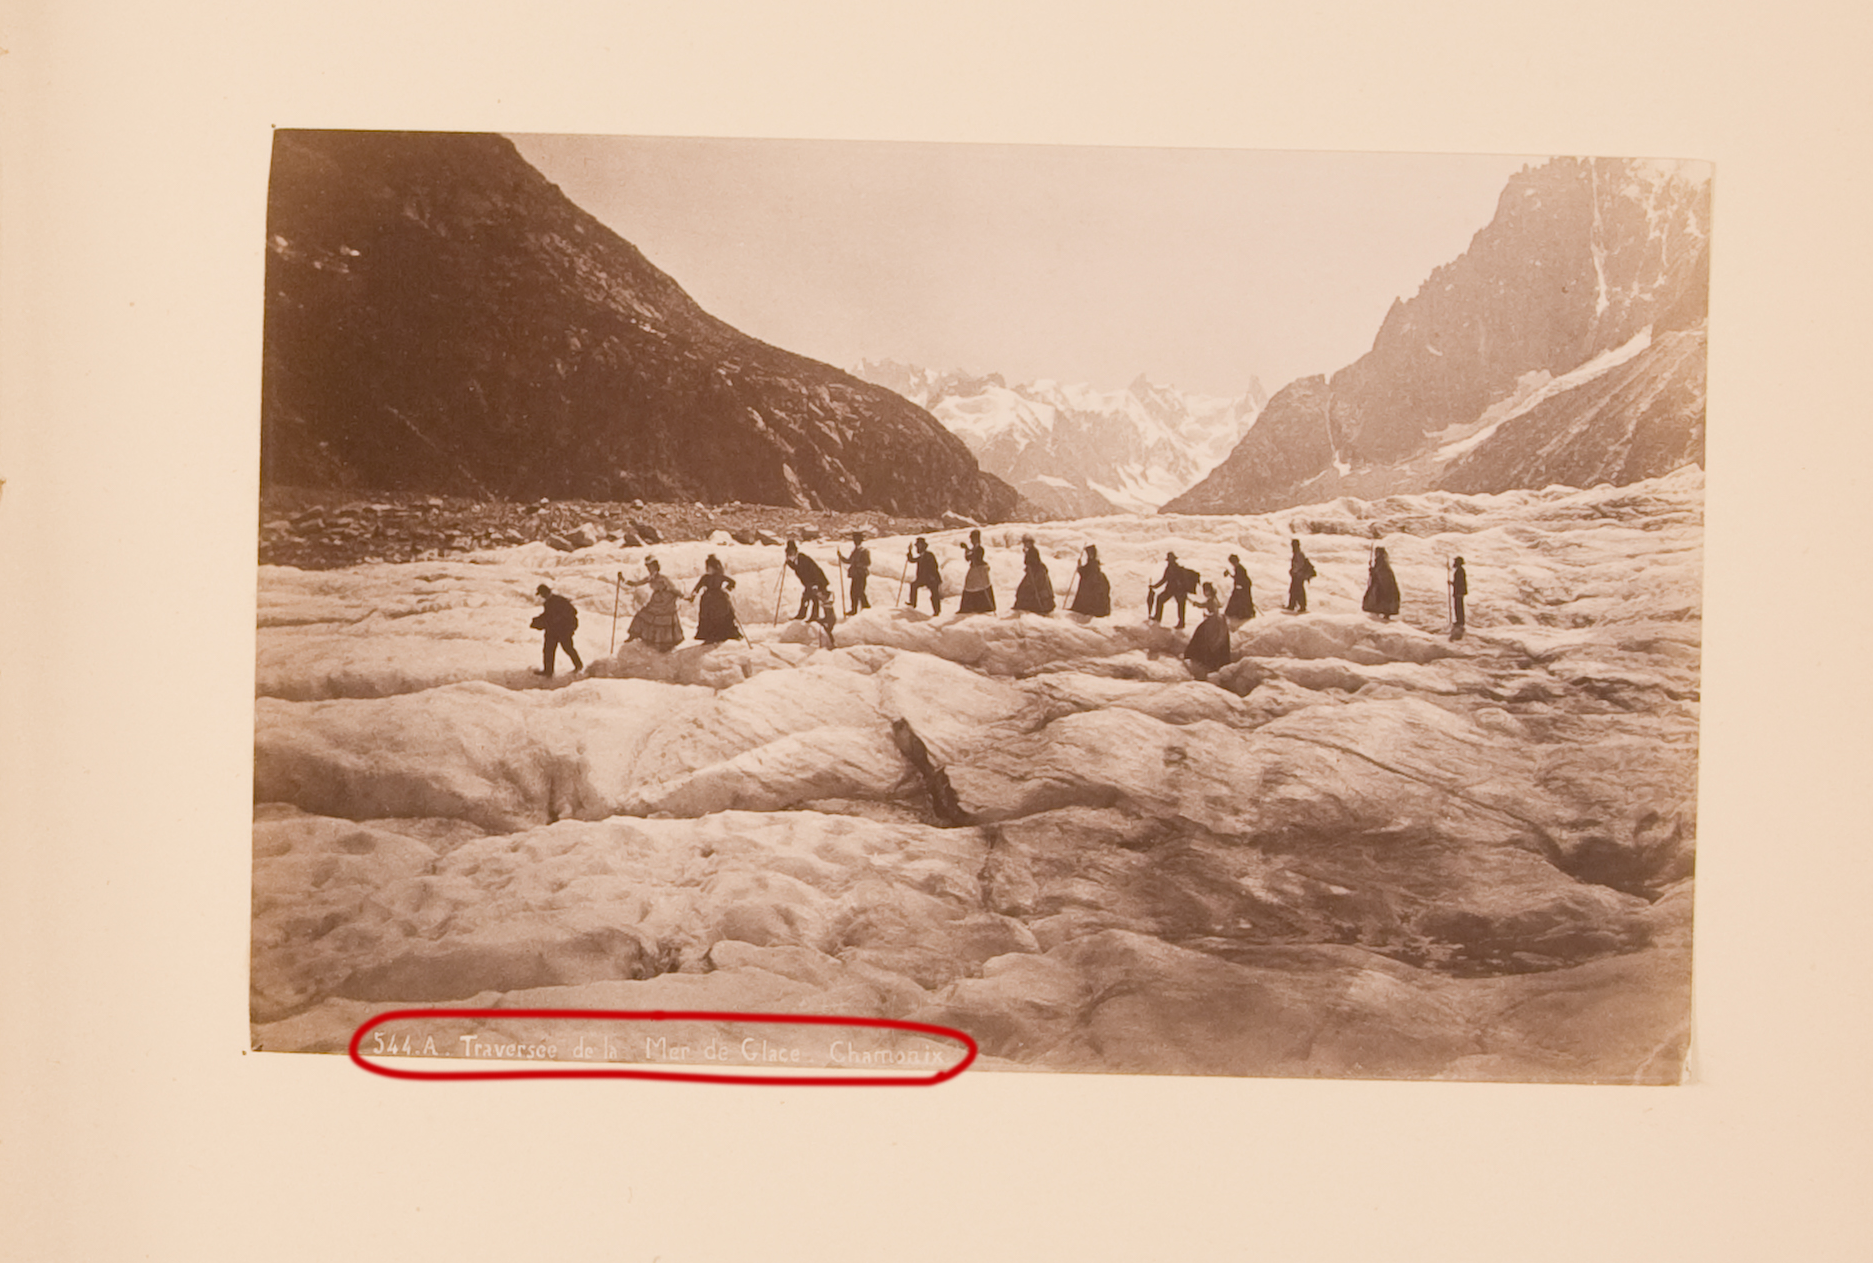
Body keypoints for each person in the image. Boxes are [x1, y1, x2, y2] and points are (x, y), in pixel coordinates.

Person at [623, 557, 684, 651]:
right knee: (643, 615)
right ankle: (633, 635)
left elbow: (673, 588)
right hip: (656, 599)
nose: (649, 569)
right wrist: (623, 580)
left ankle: (663, 644)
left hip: (666, 601)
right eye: (648, 567)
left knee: (662, 621)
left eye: (651, 567)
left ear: (656, 567)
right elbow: (636, 583)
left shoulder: (663, 578)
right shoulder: (650, 578)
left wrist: (682, 596)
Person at [531, 583, 583, 676]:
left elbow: (573, 611)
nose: (542, 596)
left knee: (567, 648)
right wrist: (538, 620)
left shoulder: (559, 600)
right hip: (553, 630)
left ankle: (579, 666)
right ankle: (548, 671)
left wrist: (560, 621)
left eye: (542, 594)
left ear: (546, 592)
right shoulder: (548, 602)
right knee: (548, 650)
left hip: (563, 630)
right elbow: (548, 616)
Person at [687, 554, 741, 644]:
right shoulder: (705, 577)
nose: (708, 569)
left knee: (720, 616)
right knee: (708, 618)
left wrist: (726, 589)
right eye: (707, 567)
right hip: (708, 600)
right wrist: (693, 595)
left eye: (710, 567)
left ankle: (722, 634)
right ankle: (709, 636)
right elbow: (697, 587)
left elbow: (732, 582)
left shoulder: (720, 576)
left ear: (715, 567)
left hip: (719, 599)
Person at [1183, 582, 1233, 678]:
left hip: (1213, 621)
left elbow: (1208, 608)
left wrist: (1206, 615)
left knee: (1203, 636)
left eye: (1206, 590)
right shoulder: (1213, 599)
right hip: (1216, 621)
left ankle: (1201, 659)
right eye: (1204, 591)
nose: (1205, 593)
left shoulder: (1211, 601)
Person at [784, 541, 834, 626]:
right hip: (810, 582)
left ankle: (814, 616)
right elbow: (797, 568)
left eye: (791, 553)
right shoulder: (796, 561)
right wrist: (789, 563)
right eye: (788, 554)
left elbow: (814, 571)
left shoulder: (803, 559)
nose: (790, 555)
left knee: (814, 597)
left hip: (818, 580)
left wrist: (816, 584)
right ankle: (805, 615)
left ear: (796, 552)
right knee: (808, 597)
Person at [1148, 551, 1200, 628]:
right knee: (1161, 599)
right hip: (1172, 590)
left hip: (1178, 591)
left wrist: (1155, 586)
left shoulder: (1176, 569)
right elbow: (1164, 579)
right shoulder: (1170, 569)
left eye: (1170, 560)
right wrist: (1155, 586)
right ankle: (1159, 618)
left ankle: (1180, 623)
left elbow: (1164, 580)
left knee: (1179, 606)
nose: (1169, 562)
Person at [1011, 535, 1056, 614]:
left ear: (1030, 543)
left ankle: (1039, 607)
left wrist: (1028, 560)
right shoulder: (1031, 550)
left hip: (1037, 573)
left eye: (1027, 543)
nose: (1025, 545)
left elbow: (1033, 562)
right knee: (1026, 588)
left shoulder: (1034, 551)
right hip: (1033, 572)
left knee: (1032, 588)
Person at [958, 529, 995, 614]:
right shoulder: (974, 548)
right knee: (971, 586)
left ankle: (984, 607)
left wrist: (968, 550)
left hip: (979, 569)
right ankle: (972, 606)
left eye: (973, 539)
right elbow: (968, 558)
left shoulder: (980, 548)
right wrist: (967, 550)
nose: (971, 540)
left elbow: (973, 557)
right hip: (975, 569)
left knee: (980, 586)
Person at [1069, 544, 1111, 617]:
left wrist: (1079, 567)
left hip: (1090, 582)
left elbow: (1087, 570)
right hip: (1091, 580)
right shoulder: (1094, 563)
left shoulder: (1092, 563)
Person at [1362, 545, 1401, 621]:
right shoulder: (1380, 563)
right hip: (1379, 585)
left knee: (1380, 598)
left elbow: (1381, 574)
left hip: (1382, 587)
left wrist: (1373, 571)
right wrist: (1372, 569)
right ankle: (1380, 613)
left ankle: (1384, 613)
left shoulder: (1383, 564)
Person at [837, 531, 871, 616]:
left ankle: (866, 607)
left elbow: (868, 563)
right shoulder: (855, 551)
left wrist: (858, 564)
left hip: (861, 574)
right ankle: (854, 610)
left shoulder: (864, 551)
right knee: (853, 592)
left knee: (860, 592)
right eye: (854, 540)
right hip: (855, 575)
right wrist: (840, 557)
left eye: (857, 540)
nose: (855, 542)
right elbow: (849, 561)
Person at [906, 537, 943, 614]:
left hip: (932, 578)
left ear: (923, 546)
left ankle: (937, 611)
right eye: (917, 546)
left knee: (934, 595)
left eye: (919, 546)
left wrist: (931, 576)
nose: (917, 548)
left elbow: (934, 566)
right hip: (924, 578)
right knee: (914, 585)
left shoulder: (929, 555)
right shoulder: (922, 556)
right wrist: (909, 551)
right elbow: (912, 560)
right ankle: (913, 604)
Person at [1286, 539, 1316, 613]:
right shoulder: (1298, 554)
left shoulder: (1299, 554)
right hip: (1298, 575)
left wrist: (1293, 571)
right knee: (1295, 590)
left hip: (1298, 576)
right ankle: (1294, 605)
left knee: (1297, 591)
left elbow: (1299, 565)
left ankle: (1298, 606)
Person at [1224, 554, 1256, 621]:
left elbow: (1240, 578)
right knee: (1242, 598)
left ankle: (1242, 614)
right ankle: (1241, 613)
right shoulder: (1238, 568)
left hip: (1243, 585)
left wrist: (1231, 575)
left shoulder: (1240, 569)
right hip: (1243, 585)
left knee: (1242, 599)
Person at [1450, 556, 1468, 640]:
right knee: (1458, 606)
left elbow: (1460, 583)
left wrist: (1453, 585)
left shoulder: (1459, 571)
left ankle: (1460, 621)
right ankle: (1460, 621)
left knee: (1458, 607)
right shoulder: (1460, 571)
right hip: (1459, 592)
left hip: (1458, 592)